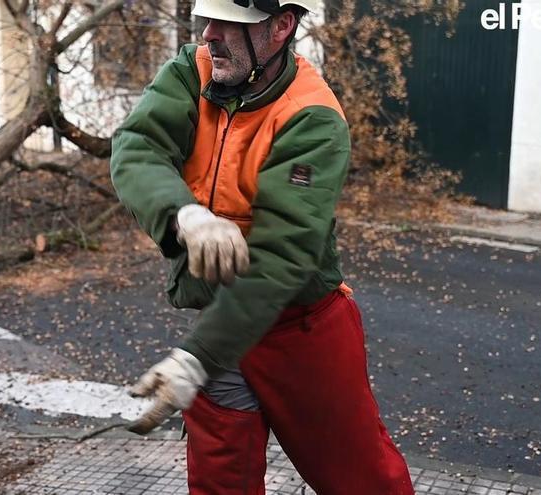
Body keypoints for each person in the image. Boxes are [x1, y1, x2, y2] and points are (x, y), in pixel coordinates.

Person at [110, 0, 414, 493]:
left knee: (362, 481)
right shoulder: (193, 71)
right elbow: (137, 146)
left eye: (230, 24)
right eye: (208, 19)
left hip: (301, 330)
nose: (210, 33)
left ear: (280, 27)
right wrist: (183, 213)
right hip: (219, 326)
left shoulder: (312, 117)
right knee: (219, 483)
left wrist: (195, 357)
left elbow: (282, 255)